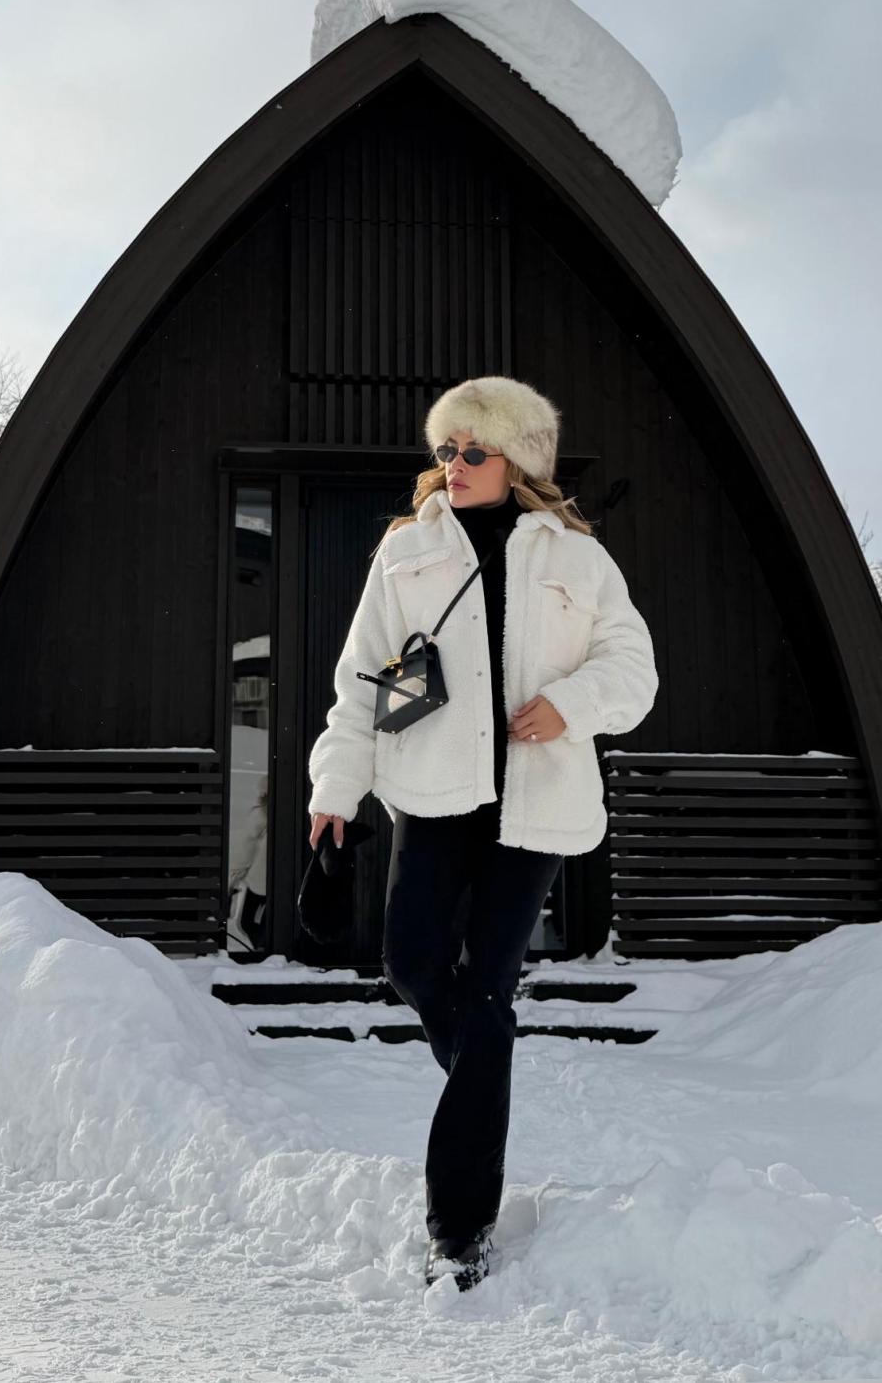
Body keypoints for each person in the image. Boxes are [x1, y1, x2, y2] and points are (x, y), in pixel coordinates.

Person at [306, 375, 659, 1292]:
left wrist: (571, 704)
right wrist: (335, 788)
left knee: (490, 990)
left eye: (473, 451)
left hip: (534, 805)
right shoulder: (407, 552)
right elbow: (362, 684)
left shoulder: (579, 558)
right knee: (414, 965)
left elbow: (635, 670)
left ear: (519, 462)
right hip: (433, 793)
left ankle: (458, 1228)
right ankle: (484, 1074)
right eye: (445, 451)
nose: (452, 466)